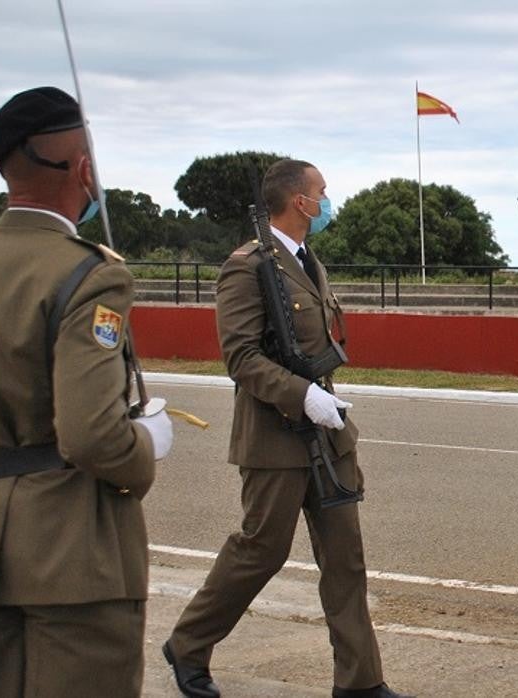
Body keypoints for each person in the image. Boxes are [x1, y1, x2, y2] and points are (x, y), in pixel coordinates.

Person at [0, 86, 172, 696]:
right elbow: (92, 434)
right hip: (77, 557)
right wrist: (143, 444)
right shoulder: (90, 272)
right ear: (84, 169)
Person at [163, 159, 407, 698]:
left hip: (327, 432)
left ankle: (361, 682)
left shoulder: (306, 260)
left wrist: (323, 402)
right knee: (261, 550)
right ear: (299, 202)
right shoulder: (248, 266)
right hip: (275, 434)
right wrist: (304, 397)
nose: (327, 200)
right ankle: (187, 644)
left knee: (345, 559)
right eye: (321, 192)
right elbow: (242, 358)